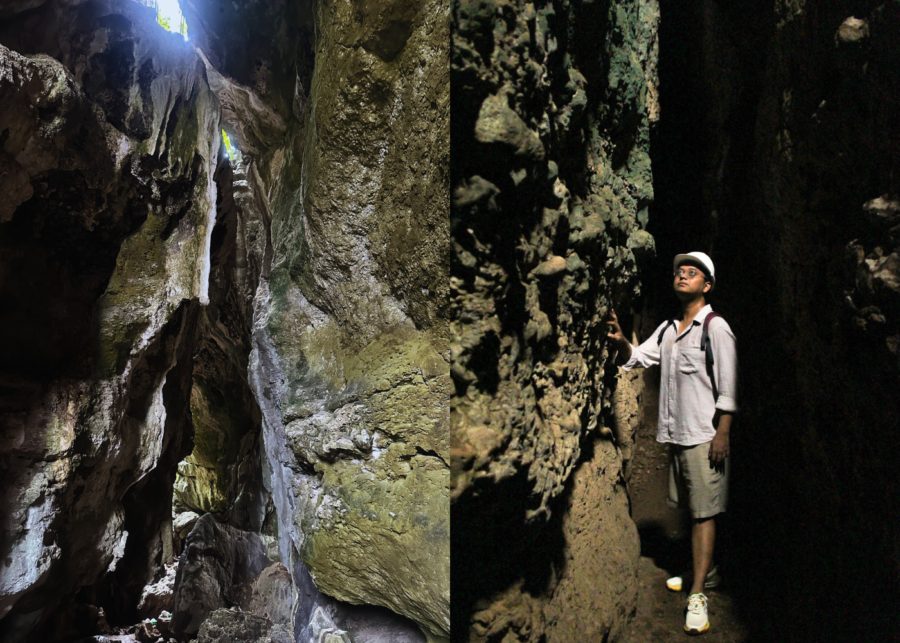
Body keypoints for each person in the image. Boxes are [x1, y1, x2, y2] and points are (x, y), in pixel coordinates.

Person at [606, 251, 738, 635]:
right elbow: (637, 358)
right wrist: (619, 341)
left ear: (707, 285)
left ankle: (698, 593)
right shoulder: (667, 329)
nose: (682, 275)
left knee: (704, 513)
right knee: (693, 507)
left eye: (692, 272)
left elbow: (728, 386)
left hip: (704, 436)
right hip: (678, 435)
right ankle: (704, 572)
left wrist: (723, 432)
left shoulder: (715, 326)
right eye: (679, 271)